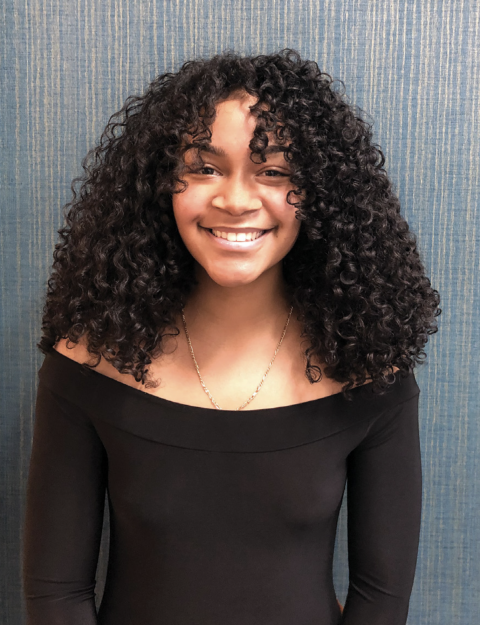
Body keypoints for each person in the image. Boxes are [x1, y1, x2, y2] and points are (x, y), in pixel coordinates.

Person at [22, 49, 441, 625]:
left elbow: (381, 599)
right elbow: (57, 594)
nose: (237, 200)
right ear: (158, 184)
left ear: (319, 193)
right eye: (204, 167)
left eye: (272, 171)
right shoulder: (88, 362)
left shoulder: (369, 371)